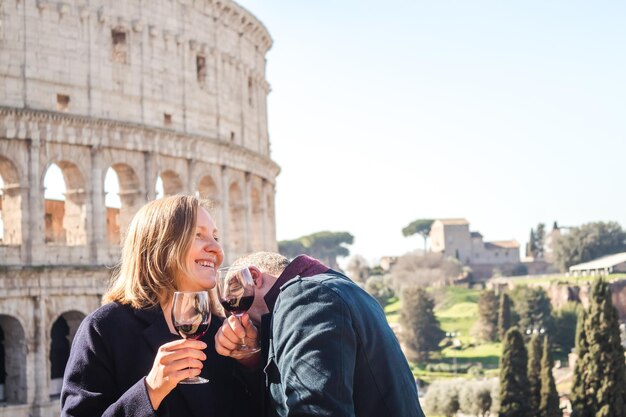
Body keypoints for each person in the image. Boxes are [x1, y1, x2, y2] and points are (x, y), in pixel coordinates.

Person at [61, 195, 259, 417]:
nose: (216, 248)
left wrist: (250, 363)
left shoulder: (220, 333)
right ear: (161, 245)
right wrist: (150, 391)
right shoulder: (104, 329)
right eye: (198, 235)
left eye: (215, 237)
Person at [215, 252, 426, 417]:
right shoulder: (347, 292)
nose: (241, 324)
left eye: (236, 311)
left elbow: (315, 409)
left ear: (252, 278)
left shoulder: (303, 296)